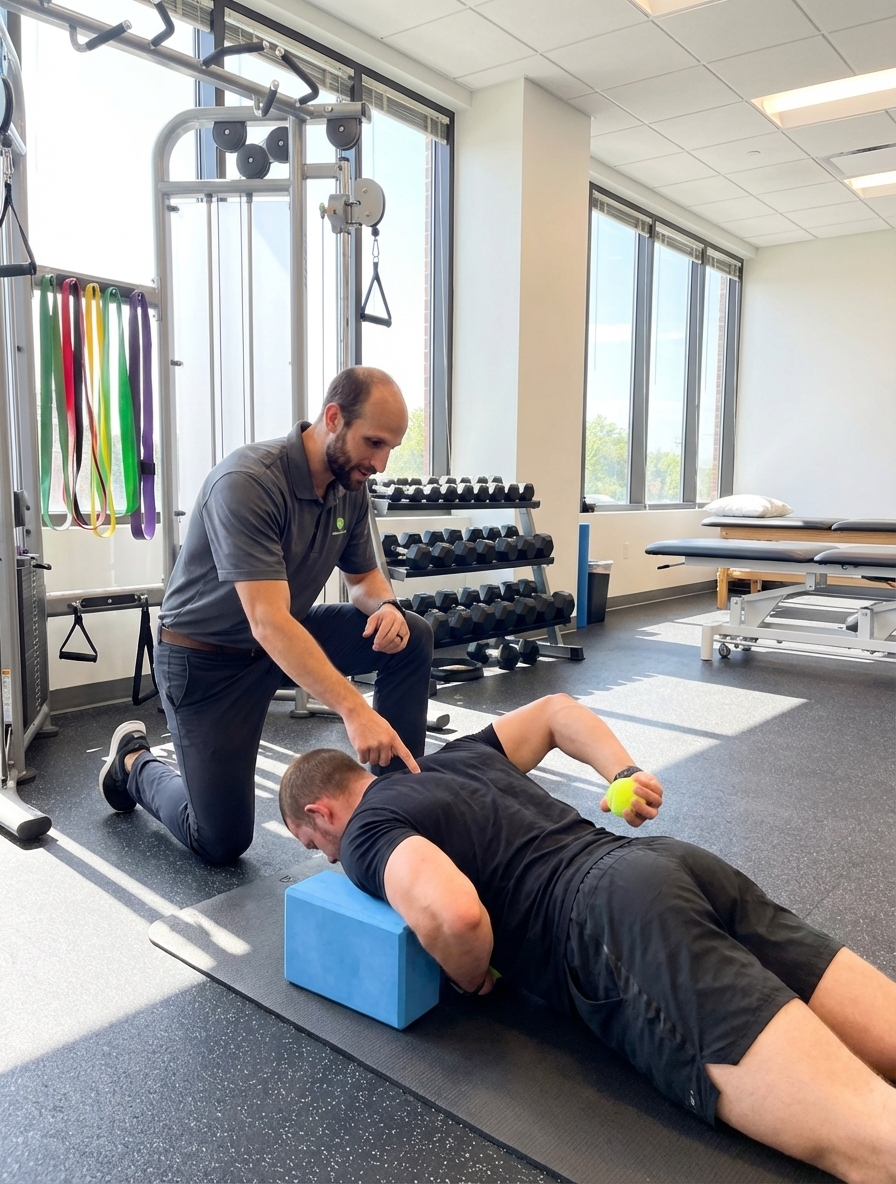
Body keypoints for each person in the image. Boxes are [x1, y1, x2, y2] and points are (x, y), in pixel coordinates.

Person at [278, 693, 896, 1184]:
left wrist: (471, 979)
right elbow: (555, 710)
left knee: (873, 1144)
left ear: (320, 814)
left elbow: (454, 916)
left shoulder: (363, 834)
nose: (328, 859)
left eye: (314, 847)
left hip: (614, 923)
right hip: (670, 863)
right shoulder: (458, 756)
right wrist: (623, 772)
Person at [98, 367, 432, 864]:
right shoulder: (248, 481)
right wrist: (355, 710)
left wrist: (386, 606)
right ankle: (132, 762)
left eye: (391, 449)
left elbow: (364, 578)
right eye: (374, 443)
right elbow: (268, 621)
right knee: (220, 841)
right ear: (333, 418)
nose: (380, 463)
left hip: (277, 641)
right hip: (206, 662)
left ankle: (394, 805)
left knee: (410, 636)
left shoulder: (349, 486)